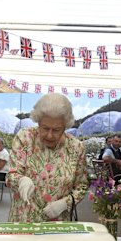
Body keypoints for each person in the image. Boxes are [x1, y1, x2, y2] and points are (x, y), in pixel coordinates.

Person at [7, 94, 87, 222]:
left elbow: (81, 186)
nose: (49, 135)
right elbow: (11, 174)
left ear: (66, 126)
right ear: (38, 121)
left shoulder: (76, 147)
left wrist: (65, 203)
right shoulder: (25, 138)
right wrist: (21, 180)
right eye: (45, 128)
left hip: (58, 222)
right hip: (24, 220)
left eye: (56, 130)